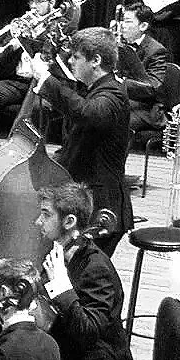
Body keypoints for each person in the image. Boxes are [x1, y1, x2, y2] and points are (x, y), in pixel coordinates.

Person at [35, 185, 140, 360]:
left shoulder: (96, 268)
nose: (38, 221)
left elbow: (88, 332)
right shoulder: (60, 253)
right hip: (71, 354)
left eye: (46, 214)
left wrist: (62, 288)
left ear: (69, 222)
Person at [30, 27, 134, 241]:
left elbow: (88, 114)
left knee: (85, 273)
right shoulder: (93, 89)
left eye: (76, 57)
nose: (70, 62)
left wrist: (45, 80)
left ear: (95, 60)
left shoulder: (113, 95)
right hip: (87, 203)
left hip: (102, 211)